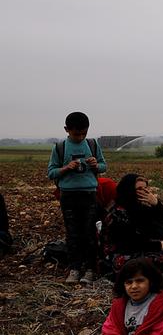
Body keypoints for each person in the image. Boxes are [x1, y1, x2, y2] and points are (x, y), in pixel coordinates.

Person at [47, 111, 108, 284]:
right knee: (73, 233)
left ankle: (90, 269)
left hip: (89, 195)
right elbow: (51, 172)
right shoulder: (59, 148)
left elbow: (104, 166)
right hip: (68, 196)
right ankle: (74, 268)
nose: (80, 136)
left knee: (90, 232)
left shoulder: (92, 144)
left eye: (84, 133)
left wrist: (97, 165)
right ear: (67, 130)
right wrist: (66, 168)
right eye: (76, 134)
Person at [101, 174, 163, 274]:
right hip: (119, 253)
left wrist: (156, 203)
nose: (144, 192)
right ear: (129, 190)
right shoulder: (118, 212)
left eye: (146, 188)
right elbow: (129, 242)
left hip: (139, 247)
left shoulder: (137, 206)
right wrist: (158, 245)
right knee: (151, 262)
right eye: (139, 189)